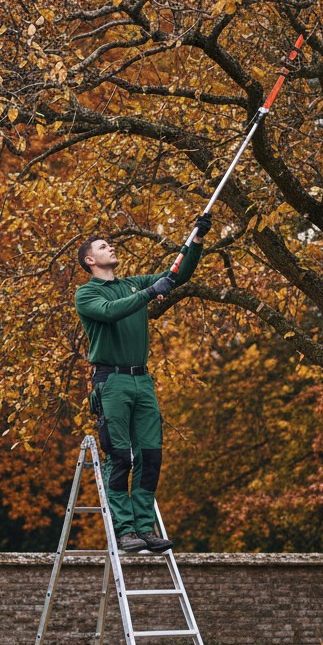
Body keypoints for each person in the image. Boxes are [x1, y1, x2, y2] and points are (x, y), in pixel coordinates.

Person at [75, 213, 212, 553]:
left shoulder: (133, 283)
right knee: (121, 456)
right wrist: (151, 293)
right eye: (104, 246)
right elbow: (111, 311)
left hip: (142, 380)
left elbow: (176, 275)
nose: (111, 247)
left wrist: (195, 239)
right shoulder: (86, 294)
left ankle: (144, 526)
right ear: (91, 260)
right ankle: (124, 530)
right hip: (112, 382)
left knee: (150, 455)